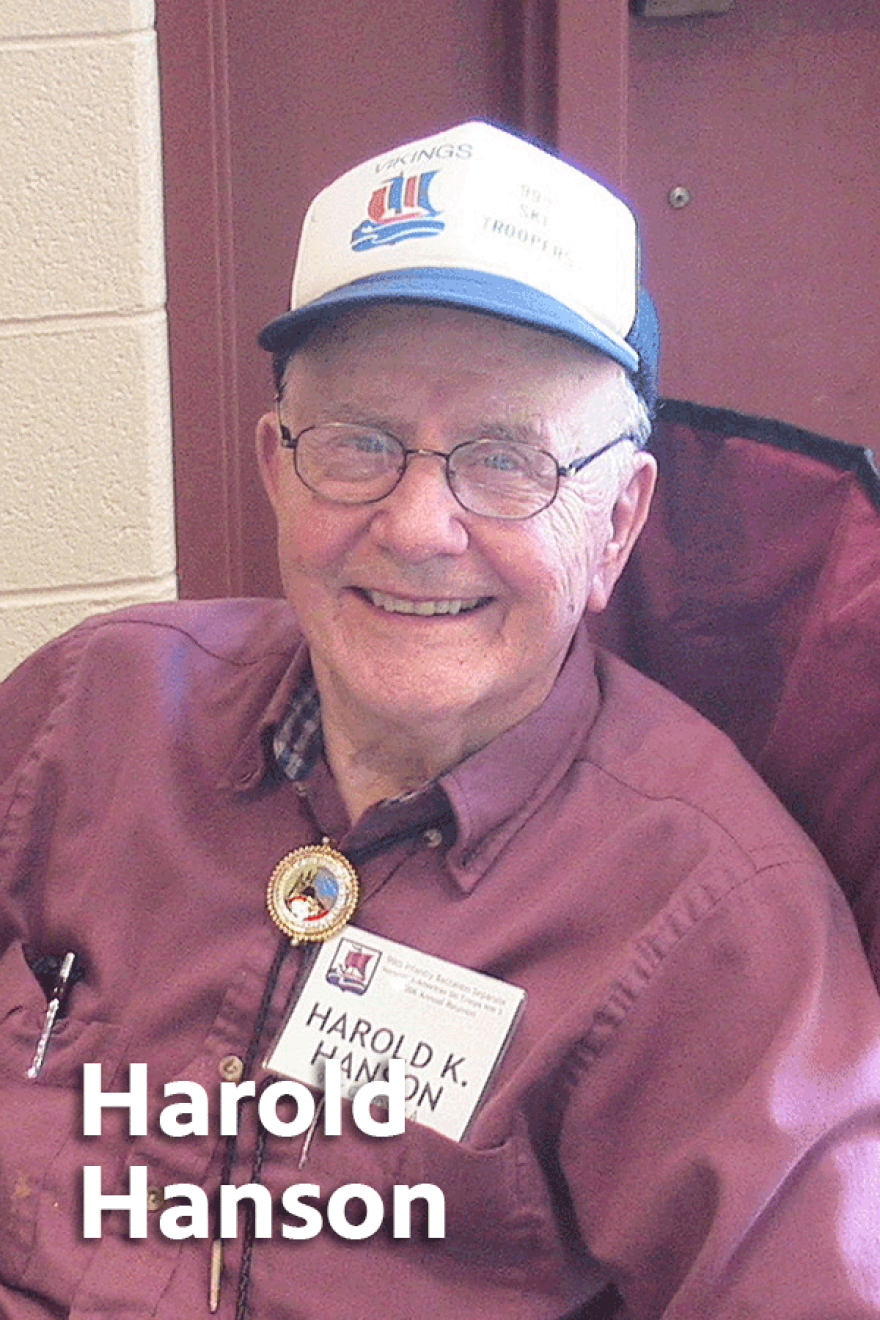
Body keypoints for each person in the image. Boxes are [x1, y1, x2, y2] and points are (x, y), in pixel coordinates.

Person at [1, 121, 878, 1320]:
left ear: (616, 522)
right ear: (276, 467)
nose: (418, 526)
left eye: (507, 461)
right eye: (359, 444)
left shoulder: (714, 915)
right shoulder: (88, 704)